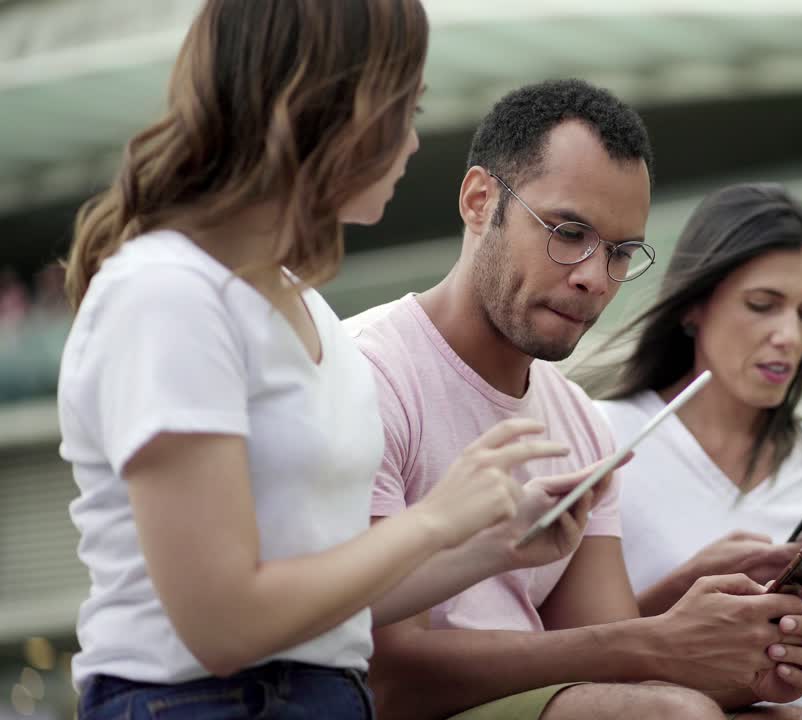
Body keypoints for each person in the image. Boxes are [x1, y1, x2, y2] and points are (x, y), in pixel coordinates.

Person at [56, 3, 581, 718]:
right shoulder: (168, 293)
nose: (413, 142)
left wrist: (492, 545)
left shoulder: (308, 310)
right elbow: (224, 626)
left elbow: (328, 606)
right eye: (405, 109)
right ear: (333, 107)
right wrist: (432, 521)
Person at [348, 80, 802, 720]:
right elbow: (386, 678)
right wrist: (659, 640)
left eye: (620, 252)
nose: (594, 277)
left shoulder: (580, 424)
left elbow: (611, 655)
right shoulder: (368, 375)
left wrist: (748, 661)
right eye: (568, 232)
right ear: (479, 201)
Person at [593, 183, 802, 719]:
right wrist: (681, 592)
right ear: (693, 306)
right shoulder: (603, 437)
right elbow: (560, 657)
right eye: (763, 305)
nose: (790, 336)